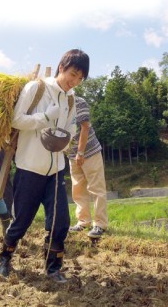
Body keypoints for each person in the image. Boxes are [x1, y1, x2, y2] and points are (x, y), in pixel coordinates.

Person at [0, 49, 90, 282]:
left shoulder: (70, 98)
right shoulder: (36, 89)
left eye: (80, 78)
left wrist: (64, 137)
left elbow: (70, 128)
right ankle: (4, 258)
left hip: (56, 168)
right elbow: (16, 120)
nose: (74, 81)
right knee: (22, 221)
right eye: (73, 74)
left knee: (60, 222)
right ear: (62, 68)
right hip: (30, 167)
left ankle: (53, 268)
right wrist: (45, 119)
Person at [67, 96, 108, 238]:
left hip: (90, 151)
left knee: (97, 188)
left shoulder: (78, 102)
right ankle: (83, 221)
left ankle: (100, 224)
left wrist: (81, 152)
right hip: (72, 154)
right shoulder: (56, 103)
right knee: (77, 188)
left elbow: (85, 126)